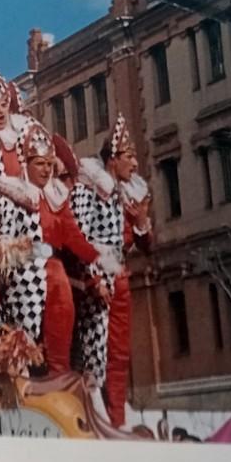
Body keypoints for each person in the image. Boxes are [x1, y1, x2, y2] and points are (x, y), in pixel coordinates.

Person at [0, 122, 113, 373]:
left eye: (49, 164)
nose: (46, 170)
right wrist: (26, 256)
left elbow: (74, 238)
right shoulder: (13, 194)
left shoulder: (58, 197)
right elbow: (3, 244)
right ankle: (19, 379)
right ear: (26, 163)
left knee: (63, 317)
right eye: (40, 164)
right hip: (24, 273)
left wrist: (106, 261)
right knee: (24, 337)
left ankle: (58, 378)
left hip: (54, 270)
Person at [70, 113, 153, 427]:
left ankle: (117, 418)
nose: (134, 165)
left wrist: (142, 222)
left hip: (120, 278)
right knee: (94, 350)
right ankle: (93, 416)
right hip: (99, 280)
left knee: (119, 354)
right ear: (113, 159)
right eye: (129, 157)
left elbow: (145, 244)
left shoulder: (127, 195)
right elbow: (81, 237)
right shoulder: (87, 188)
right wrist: (93, 278)